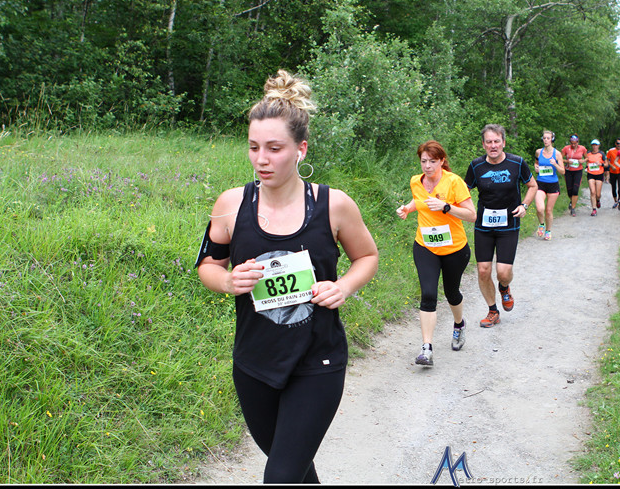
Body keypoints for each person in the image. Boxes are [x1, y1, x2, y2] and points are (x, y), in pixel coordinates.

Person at [196, 70, 379, 483]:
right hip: (254, 362)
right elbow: (209, 265)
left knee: (280, 476)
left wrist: (344, 286)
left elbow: (367, 256)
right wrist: (227, 282)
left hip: (319, 360)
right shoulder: (230, 206)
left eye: (274, 148)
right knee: (296, 472)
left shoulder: (334, 205)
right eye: (254, 147)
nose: (261, 159)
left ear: (301, 149)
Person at [396, 140, 476, 366]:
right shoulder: (416, 181)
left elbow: (472, 215)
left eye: (432, 161)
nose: (427, 166)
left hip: (454, 249)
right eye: (424, 161)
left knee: (451, 292)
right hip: (425, 246)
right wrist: (408, 208)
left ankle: (459, 324)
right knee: (429, 294)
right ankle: (426, 349)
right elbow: (419, 200)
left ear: (442, 161)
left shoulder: (454, 182)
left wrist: (446, 207)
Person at [464, 124, 537, 328]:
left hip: (508, 225)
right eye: (489, 142)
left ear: (503, 142)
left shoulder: (517, 163)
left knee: (503, 273)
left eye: (496, 141)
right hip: (483, 226)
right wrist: (465, 209)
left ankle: (504, 287)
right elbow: (463, 191)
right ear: (483, 144)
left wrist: (524, 205)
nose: (493, 145)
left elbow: (532, 186)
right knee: (483, 271)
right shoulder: (476, 166)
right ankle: (493, 311)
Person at [534, 130, 565, 241]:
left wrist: (555, 164)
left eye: (548, 138)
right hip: (540, 183)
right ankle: (541, 224)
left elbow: (563, 171)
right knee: (540, 208)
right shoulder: (538, 152)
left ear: (552, 139)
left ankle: (548, 230)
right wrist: (536, 168)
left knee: (548, 211)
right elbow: (536, 163)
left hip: (552, 184)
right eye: (544, 138)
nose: (546, 140)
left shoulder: (557, 154)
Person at [561, 134, 587, 216]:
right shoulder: (566, 148)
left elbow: (587, 158)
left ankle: (573, 208)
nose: (573, 145)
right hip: (568, 171)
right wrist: (567, 161)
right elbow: (559, 158)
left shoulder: (582, 148)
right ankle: (572, 201)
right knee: (569, 190)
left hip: (578, 171)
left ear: (578, 142)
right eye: (572, 143)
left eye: (575, 143)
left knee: (575, 189)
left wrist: (583, 161)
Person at [585, 139, 608, 217]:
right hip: (590, 174)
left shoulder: (602, 154)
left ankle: (598, 200)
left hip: (599, 174)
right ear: (592, 146)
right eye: (593, 145)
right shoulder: (588, 153)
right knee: (592, 192)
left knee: (598, 194)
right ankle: (594, 209)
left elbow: (606, 164)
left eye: (596, 145)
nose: (594, 147)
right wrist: (586, 166)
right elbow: (587, 161)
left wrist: (601, 164)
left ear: (598, 146)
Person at [606, 137, 620, 208]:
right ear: (615, 143)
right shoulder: (611, 151)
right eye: (618, 143)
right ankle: (615, 201)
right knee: (613, 187)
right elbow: (607, 160)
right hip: (612, 171)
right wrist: (611, 165)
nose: (619, 145)